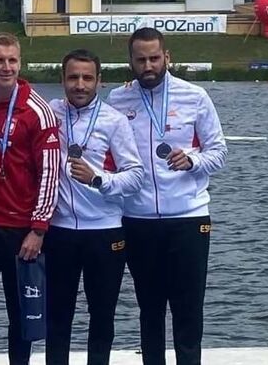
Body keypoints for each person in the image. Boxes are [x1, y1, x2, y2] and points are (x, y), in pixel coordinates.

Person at [106, 28, 228, 365]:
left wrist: (193, 160)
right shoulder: (118, 100)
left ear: (167, 57)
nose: (148, 66)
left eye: (154, 58)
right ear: (130, 61)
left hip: (188, 218)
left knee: (188, 308)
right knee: (150, 308)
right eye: (141, 59)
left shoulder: (195, 96)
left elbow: (219, 153)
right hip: (138, 219)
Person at [0, 32, 60, 365]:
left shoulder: (38, 110)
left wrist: (38, 228)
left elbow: (50, 172)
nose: (7, 67)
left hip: (20, 231)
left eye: (12, 60)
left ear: (20, 63)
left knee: (21, 316)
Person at [46, 49, 143, 365]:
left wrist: (98, 178)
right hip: (59, 231)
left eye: (87, 78)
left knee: (102, 316)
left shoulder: (114, 121)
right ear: (62, 80)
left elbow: (135, 176)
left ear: (99, 82)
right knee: (57, 317)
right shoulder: (50, 113)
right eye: (73, 77)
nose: (80, 84)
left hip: (104, 232)